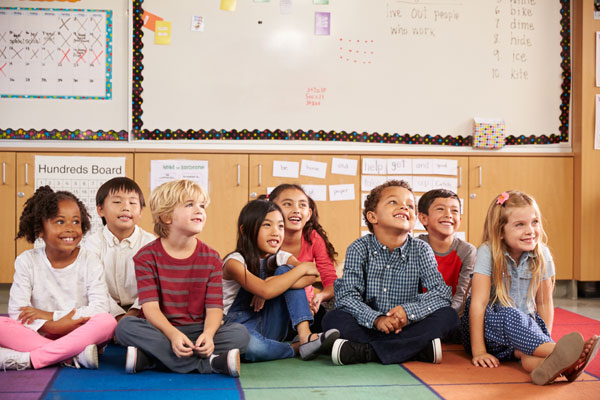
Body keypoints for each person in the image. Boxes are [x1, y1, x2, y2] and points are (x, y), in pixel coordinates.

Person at [462, 190, 599, 385]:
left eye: (534, 222)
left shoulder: (542, 253)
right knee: (512, 315)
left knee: (527, 353)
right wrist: (479, 351)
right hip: (489, 332)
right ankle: (561, 351)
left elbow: (543, 302)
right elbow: (478, 303)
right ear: (500, 231)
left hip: (523, 333)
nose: (530, 230)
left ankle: (561, 366)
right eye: (520, 225)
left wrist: (542, 338)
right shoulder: (488, 251)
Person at [114, 180, 249, 377]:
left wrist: (209, 335)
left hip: (198, 330)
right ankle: (210, 364)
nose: (199, 210)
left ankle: (151, 359)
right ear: (166, 217)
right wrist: (173, 334)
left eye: (202, 205)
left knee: (241, 335)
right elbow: (150, 308)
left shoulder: (211, 258)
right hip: (162, 330)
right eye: (189, 204)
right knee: (125, 327)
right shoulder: (145, 257)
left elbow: (214, 308)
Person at [323, 180, 458, 366]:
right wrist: (376, 319)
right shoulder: (359, 248)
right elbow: (346, 296)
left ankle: (365, 352)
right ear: (372, 216)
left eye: (410, 205)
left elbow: (441, 293)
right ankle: (415, 350)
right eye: (393, 202)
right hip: (366, 324)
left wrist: (407, 312)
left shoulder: (421, 249)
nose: (404, 207)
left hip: (407, 326)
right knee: (332, 318)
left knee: (448, 316)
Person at [0, 186, 116, 370]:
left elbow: (100, 308)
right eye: (60, 222)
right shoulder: (27, 261)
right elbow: (17, 311)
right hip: (41, 334)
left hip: (79, 332)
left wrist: (54, 318)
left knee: (107, 321)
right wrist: (50, 327)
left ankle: (30, 359)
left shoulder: (90, 261)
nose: (70, 229)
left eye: (76, 222)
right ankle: (72, 356)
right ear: (40, 229)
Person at [222, 199, 340, 362]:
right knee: (252, 347)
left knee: (287, 270)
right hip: (240, 327)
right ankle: (294, 348)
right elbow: (265, 290)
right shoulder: (234, 262)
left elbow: (312, 274)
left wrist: (273, 282)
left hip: (271, 323)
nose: (276, 232)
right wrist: (297, 270)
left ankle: (305, 336)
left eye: (280, 226)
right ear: (244, 230)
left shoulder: (280, 257)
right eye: (267, 225)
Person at [267, 184, 338, 330]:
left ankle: (304, 336)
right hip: (271, 308)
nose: (296, 210)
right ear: (271, 210)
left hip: (305, 309)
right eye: (287, 204)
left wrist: (320, 297)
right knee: (286, 271)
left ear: (309, 213)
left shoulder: (313, 238)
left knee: (333, 321)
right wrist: (297, 276)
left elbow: (331, 281)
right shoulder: (264, 237)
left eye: (302, 205)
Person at [83, 177, 155, 321]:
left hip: (143, 309)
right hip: (103, 309)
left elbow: (153, 287)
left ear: (140, 211)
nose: (126, 207)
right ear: (100, 210)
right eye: (117, 202)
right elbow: (94, 287)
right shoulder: (91, 244)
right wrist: (118, 316)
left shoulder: (151, 243)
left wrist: (133, 313)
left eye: (133, 202)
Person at [417, 189, 475, 311]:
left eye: (454, 211)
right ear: (423, 218)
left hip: (453, 315)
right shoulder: (414, 247)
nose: (448, 214)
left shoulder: (467, 251)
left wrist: (445, 316)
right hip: (418, 313)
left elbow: (463, 295)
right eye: (440, 209)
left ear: (460, 219)